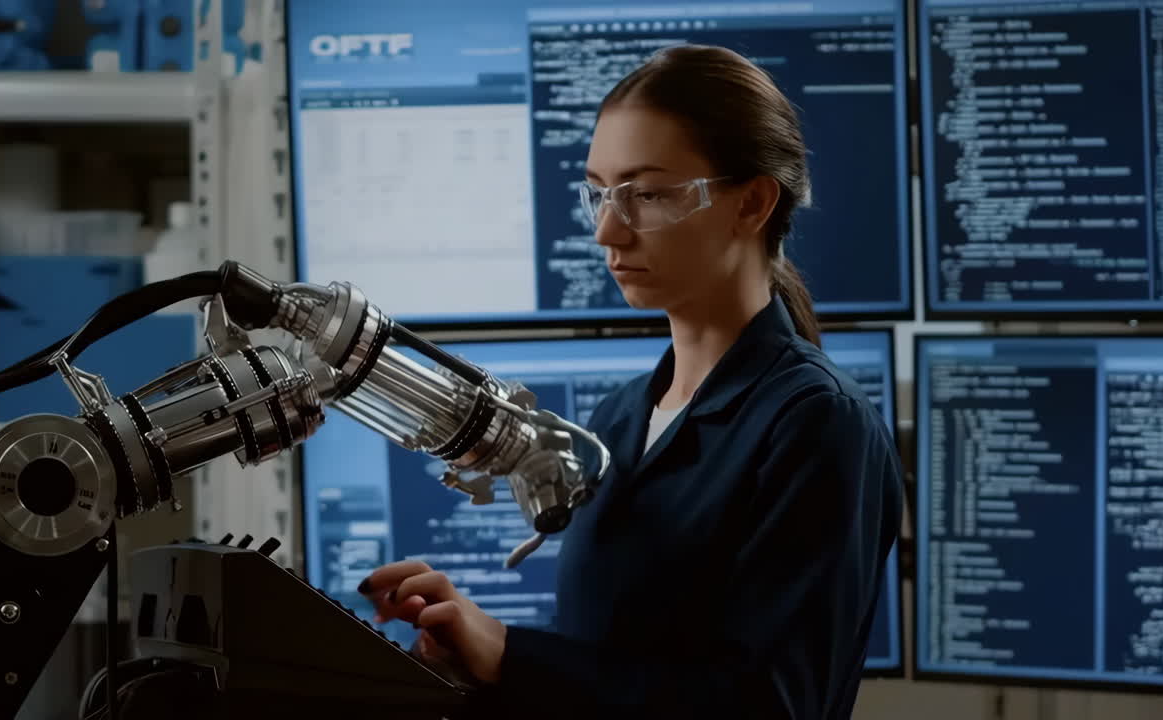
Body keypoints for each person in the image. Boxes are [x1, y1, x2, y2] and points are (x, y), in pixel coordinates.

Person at [358, 44, 904, 719]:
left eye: (647, 194)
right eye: (599, 192)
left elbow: (769, 707)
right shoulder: (619, 421)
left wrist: (509, 653)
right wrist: (469, 667)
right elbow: (606, 683)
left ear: (754, 202)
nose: (608, 231)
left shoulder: (818, 424)